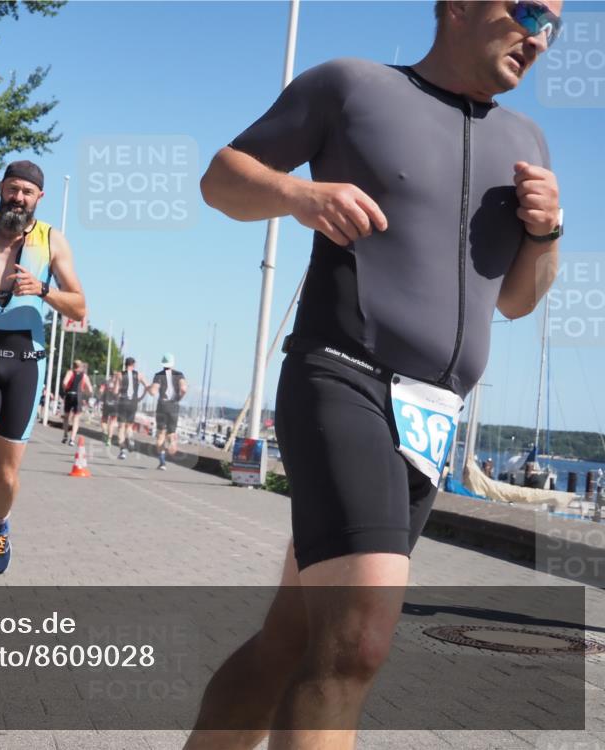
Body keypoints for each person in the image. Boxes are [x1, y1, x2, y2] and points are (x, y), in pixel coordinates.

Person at [187, 2, 563, 747]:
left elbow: (517, 300)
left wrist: (547, 232)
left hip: (433, 418)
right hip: (343, 375)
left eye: (555, 24)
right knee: (358, 643)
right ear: (458, 7)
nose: (541, 37)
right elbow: (220, 179)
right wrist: (300, 196)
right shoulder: (351, 86)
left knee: (293, 640)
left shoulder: (527, 141)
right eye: (527, 10)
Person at [0, 160, 86, 615]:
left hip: (26, 366)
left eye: (27, 191)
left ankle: (0, 523)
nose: (18, 197)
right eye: (12, 189)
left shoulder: (52, 240)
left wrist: (43, 290)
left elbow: (80, 306)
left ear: (38, 198)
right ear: (1, 189)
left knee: (5, 476)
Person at [148, 353, 188, 470]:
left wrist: (149, 388)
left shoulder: (158, 375)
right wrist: (178, 398)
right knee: (171, 432)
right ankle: (172, 442)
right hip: (174, 406)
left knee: (160, 434)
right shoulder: (179, 375)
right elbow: (184, 389)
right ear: (173, 363)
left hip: (162, 406)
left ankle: (162, 462)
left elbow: (153, 392)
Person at [113, 356, 150, 460]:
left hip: (123, 401)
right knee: (129, 426)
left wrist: (117, 397)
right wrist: (141, 397)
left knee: (121, 427)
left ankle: (122, 451)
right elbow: (147, 386)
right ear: (133, 365)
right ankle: (130, 439)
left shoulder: (119, 375)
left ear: (125, 365)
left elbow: (115, 391)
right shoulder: (139, 375)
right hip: (133, 402)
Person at [60, 359, 93, 446]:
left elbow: (64, 383)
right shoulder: (84, 376)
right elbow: (90, 389)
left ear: (73, 366)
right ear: (81, 366)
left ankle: (65, 435)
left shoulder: (70, 372)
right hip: (78, 396)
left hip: (69, 395)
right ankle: (72, 439)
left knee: (66, 417)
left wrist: (65, 389)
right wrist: (86, 394)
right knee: (76, 418)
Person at [100, 371, 120, 446]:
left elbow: (101, 390)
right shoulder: (119, 383)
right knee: (112, 423)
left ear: (111, 375)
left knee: (103, 420)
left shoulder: (106, 382)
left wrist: (102, 396)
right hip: (115, 405)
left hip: (106, 404)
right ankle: (109, 440)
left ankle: (105, 432)